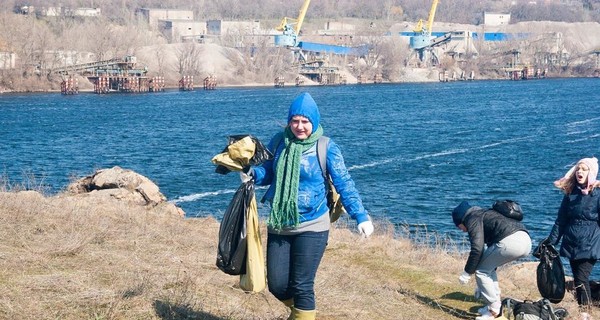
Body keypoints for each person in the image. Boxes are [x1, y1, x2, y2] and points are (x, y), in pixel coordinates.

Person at [241, 92, 374, 320]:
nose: (299, 127)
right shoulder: (278, 142)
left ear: (314, 121)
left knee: (302, 285)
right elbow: (267, 173)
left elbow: (344, 183)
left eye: (305, 121)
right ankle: (302, 313)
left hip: (313, 225)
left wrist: (360, 216)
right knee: (278, 285)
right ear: (289, 121)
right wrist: (251, 173)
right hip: (280, 223)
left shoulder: (326, 147)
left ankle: (304, 313)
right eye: (295, 121)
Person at [452, 200, 532, 320]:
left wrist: (467, 273)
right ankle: (493, 306)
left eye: (459, 227)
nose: (462, 230)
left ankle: (494, 310)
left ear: (461, 220)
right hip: (526, 241)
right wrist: (481, 285)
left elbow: (477, 249)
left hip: (511, 242)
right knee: (487, 269)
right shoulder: (486, 213)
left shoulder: (472, 218)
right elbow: (488, 257)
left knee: (481, 271)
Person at [545, 157, 600, 309]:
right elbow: (561, 220)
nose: (580, 172)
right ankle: (584, 310)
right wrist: (550, 242)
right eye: (578, 169)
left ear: (591, 172)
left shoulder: (598, 193)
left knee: (582, 277)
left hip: (590, 243)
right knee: (578, 279)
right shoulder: (571, 193)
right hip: (572, 242)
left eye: (584, 169)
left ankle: (585, 313)